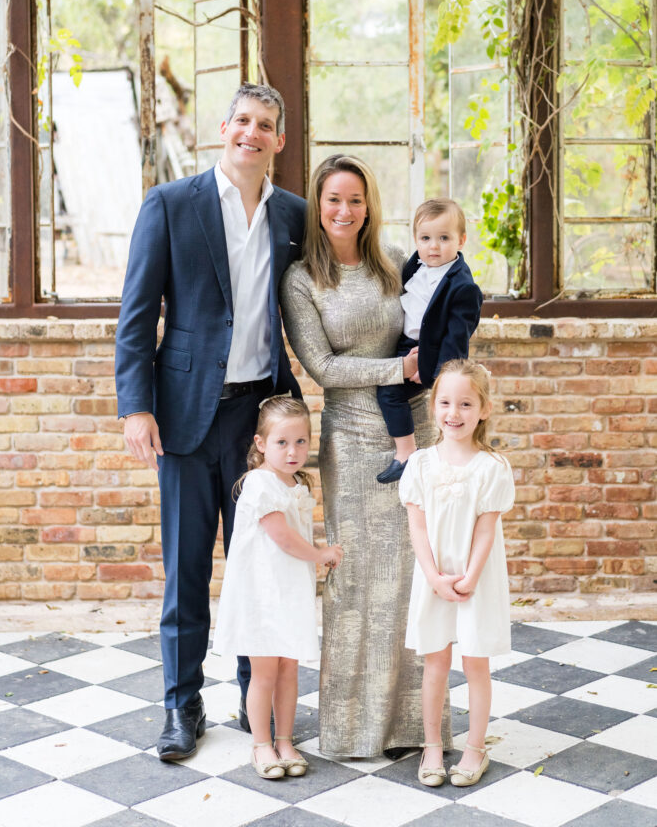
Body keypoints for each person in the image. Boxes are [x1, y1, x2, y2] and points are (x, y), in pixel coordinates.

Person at [115, 83, 306, 761]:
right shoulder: (170, 204)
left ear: (278, 141)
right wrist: (136, 407)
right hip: (185, 418)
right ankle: (180, 705)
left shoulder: (293, 215)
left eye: (265, 126)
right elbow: (137, 316)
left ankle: (259, 704)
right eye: (242, 121)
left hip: (261, 422)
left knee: (262, 567)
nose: (251, 134)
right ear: (221, 128)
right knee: (186, 570)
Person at [280, 153, 452, 759]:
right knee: (355, 581)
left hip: (415, 428)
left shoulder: (391, 265)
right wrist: (395, 368)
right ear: (318, 207)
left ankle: (413, 725)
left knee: (412, 576)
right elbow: (322, 367)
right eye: (333, 200)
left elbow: (427, 323)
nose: (345, 211)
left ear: (369, 205)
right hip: (351, 441)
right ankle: (353, 729)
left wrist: (430, 364)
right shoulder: (302, 279)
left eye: (356, 200)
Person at [213, 396, 344, 779]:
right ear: (261, 444)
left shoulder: (296, 485)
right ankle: (261, 744)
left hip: (289, 593)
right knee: (265, 672)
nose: (293, 451)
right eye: (282, 443)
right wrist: (322, 554)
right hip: (262, 596)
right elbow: (283, 539)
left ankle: (285, 739)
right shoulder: (259, 484)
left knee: (289, 668)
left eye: (301, 442)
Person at [399, 359, 514, 788]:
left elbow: (486, 528)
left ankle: (475, 748)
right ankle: (432, 746)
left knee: (475, 662)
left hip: (475, 580)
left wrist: (468, 576)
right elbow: (417, 525)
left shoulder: (492, 467)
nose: (454, 413)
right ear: (433, 406)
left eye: (466, 403)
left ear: (483, 409)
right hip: (433, 577)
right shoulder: (421, 464)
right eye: (445, 402)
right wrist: (433, 576)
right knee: (435, 662)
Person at [376, 198, 482, 484]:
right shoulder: (416, 265)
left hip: (431, 354)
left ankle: (407, 455)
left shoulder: (463, 286)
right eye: (426, 238)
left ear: (461, 240)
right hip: (405, 343)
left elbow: (456, 338)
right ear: (416, 239)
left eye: (444, 238)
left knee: (390, 392)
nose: (434, 246)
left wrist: (434, 371)